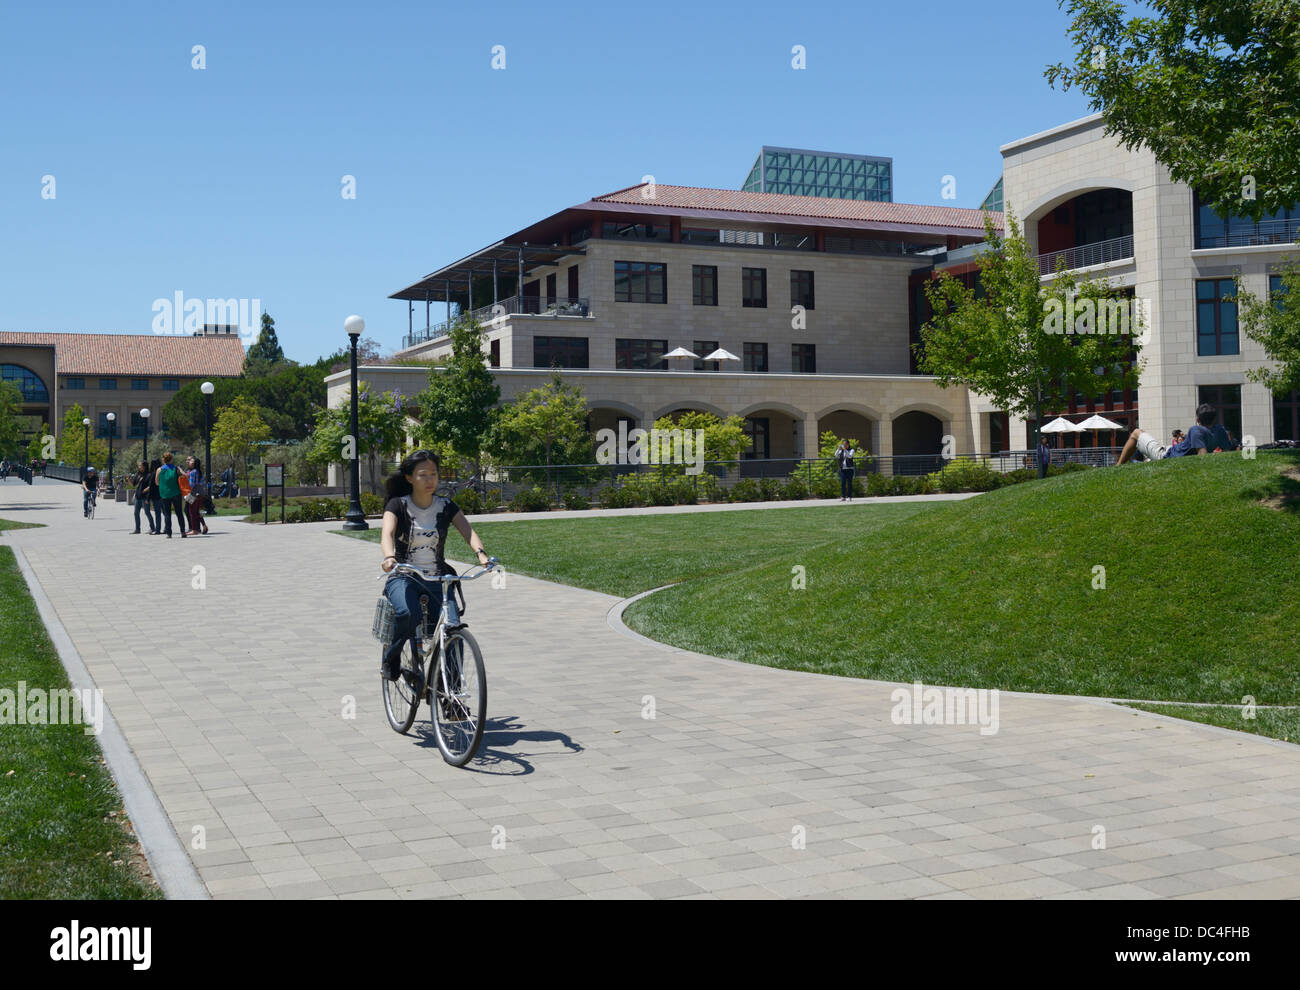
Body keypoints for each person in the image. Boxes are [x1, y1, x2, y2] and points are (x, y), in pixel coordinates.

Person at [379, 450, 490, 683]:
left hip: (439, 579)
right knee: (409, 613)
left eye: (434, 474)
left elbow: (467, 531)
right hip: (404, 576)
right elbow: (387, 533)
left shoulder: (446, 505)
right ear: (409, 477)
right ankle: (392, 658)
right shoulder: (397, 505)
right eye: (423, 475)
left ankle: (452, 698)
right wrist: (389, 557)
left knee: (453, 629)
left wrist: (481, 555)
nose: (430, 480)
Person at [1117, 403, 1217, 464]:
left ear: (1197, 419)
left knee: (1136, 433)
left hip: (1165, 456)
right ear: (1214, 419)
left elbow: (1203, 457)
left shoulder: (1196, 431)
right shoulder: (1219, 431)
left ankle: (1118, 466)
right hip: (1170, 450)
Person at [154, 451, 187, 538]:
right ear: (171, 459)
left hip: (165, 494)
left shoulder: (159, 469)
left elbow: (156, 483)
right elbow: (185, 475)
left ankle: (169, 533)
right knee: (179, 513)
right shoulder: (176, 468)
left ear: (163, 459)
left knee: (167, 514)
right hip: (176, 493)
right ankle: (183, 532)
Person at [184, 456, 209, 535]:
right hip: (200, 493)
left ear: (194, 463)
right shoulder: (199, 471)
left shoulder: (193, 472)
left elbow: (191, 485)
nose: (189, 462)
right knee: (196, 511)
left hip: (193, 494)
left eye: (191, 461)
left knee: (192, 512)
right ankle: (204, 526)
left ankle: (194, 530)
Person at [131, 459, 157, 535]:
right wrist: (128, 479)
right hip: (138, 496)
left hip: (145, 497)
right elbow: (134, 484)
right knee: (136, 513)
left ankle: (152, 528)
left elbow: (150, 486)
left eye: (140, 465)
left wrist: (144, 491)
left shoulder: (149, 475)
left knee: (147, 512)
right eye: (138, 465)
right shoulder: (138, 474)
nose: (139, 467)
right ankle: (137, 529)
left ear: (145, 466)